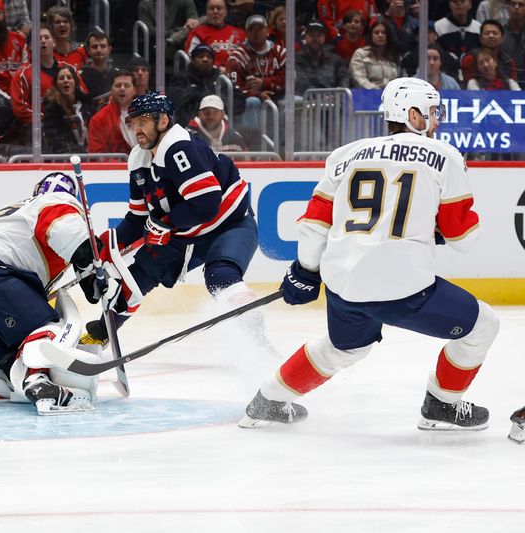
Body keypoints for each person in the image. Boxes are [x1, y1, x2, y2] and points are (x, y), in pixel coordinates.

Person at [239, 77, 499, 431]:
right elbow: (464, 239)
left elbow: (315, 223)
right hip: (405, 286)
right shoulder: (445, 157)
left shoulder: (345, 154)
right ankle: (442, 405)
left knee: (344, 348)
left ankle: (266, 401)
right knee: (483, 326)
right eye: (432, 112)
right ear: (413, 115)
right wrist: (439, 227)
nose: (436, 120)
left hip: (344, 285)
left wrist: (304, 271)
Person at [0, 172, 131, 414]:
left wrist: (91, 276)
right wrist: (103, 276)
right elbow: (68, 233)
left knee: (11, 353)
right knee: (50, 327)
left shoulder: (17, 212)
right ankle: (37, 381)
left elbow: (79, 264)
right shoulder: (57, 202)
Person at [83, 92, 262, 346]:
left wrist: (165, 222)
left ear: (163, 121)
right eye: (134, 123)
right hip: (182, 232)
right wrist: (108, 243)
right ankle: (100, 334)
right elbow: (138, 217)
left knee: (220, 275)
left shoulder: (180, 148)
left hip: (228, 225)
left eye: (143, 121)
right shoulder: (138, 159)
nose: (138, 129)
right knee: (136, 277)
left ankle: (258, 342)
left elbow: (207, 203)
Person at [43, 65, 94, 154]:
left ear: (75, 82)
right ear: (56, 84)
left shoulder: (87, 103)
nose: (65, 80)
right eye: (61, 78)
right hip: (66, 158)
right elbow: (55, 141)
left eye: (69, 77)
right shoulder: (52, 109)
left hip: (92, 155)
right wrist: (83, 152)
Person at [87, 69, 137, 155]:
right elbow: (97, 155)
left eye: (127, 85)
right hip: (116, 167)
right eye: (118, 85)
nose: (122, 88)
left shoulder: (147, 115)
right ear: (111, 89)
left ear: (135, 90)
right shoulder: (99, 119)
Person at [185, 0, 246, 69]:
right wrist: (215, 69)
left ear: (226, 12)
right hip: (208, 75)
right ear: (206, 13)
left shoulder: (240, 33)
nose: (215, 11)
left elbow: (248, 58)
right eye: (211, 8)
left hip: (236, 74)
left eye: (219, 8)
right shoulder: (197, 33)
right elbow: (191, 59)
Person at [296, 21, 350, 94]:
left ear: (325, 37)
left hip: (333, 100)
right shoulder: (297, 59)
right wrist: (321, 97)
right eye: (311, 35)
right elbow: (301, 83)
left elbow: (345, 78)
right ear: (305, 37)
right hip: (305, 100)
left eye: (319, 35)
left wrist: (338, 93)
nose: (315, 39)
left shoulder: (335, 59)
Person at [460, 20, 519, 84]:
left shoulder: (509, 61)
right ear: (480, 38)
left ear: (502, 38)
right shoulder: (470, 58)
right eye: (487, 33)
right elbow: (466, 86)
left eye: (495, 33)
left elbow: (513, 88)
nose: (491, 36)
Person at [435, 0, 481, 82]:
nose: (459, 4)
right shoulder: (438, 26)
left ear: (470, 4)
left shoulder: (478, 27)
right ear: (449, 5)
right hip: (447, 75)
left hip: (474, 76)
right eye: (455, 1)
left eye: (462, 1)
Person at [349, 18, 401, 89]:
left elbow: (400, 80)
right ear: (371, 35)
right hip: (367, 95)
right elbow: (359, 78)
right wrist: (375, 91)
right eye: (376, 32)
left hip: (391, 96)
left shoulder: (395, 56)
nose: (380, 35)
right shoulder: (360, 54)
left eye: (383, 33)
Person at [46, 5, 87, 71]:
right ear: (51, 27)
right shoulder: (46, 52)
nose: (62, 24)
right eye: (58, 22)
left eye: (65, 21)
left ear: (71, 25)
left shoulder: (80, 51)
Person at [80, 30, 117, 102]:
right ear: (88, 50)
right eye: (95, 47)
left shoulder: (117, 76)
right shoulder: (81, 76)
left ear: (109, 49)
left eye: (103, 46)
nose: (99, 50)